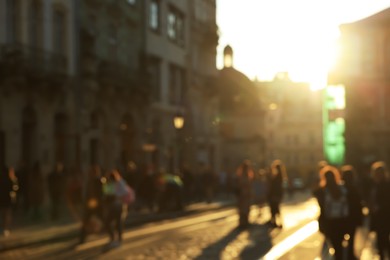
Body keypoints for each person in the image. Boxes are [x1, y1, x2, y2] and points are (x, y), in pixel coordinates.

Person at [314, 165, 351, 260]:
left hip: (329, 222)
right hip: (342, 220)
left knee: (333, 245)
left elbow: (322, 206)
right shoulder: (342, 189)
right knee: (340, 246)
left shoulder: (322, 191)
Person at [367, 161, 390, 260]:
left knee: (383, 238)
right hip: (378, 216)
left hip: (384, 216)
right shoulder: (374, 185)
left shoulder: (385, 185)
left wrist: (379, 207)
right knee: (381, 239)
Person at [340, 165, 364, 260]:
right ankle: (350, 255)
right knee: (351, 237)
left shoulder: (340, 188)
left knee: (341, 237)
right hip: (352, 217)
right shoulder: (354, 188)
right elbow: (358, 204)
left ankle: (343, 254)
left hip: (342, 217)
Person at [102, 169, 128, 248]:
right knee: (108, 222)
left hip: (119, 205)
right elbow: (106, 193)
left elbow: (124, 192)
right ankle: (113, 237)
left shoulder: (120, 182)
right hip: (112, 206)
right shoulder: (109, 184)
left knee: (118, 222)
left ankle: (118, 238)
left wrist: (116, 195)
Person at [79, 165, 104, 244]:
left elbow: (105, 192)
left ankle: (112, 235)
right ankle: (82, 238)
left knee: (104, 220)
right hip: (91, 205)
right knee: (86, 221)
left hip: (97, 205)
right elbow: (87, 194)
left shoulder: (100, 181)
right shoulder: (90, 181)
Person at [235, 160, 254, 228]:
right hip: (243, 194)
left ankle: (243, 221)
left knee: (243, 209)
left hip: (244, 194)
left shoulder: (242, 175)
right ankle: (243, 221)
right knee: (244, 209)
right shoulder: (245, 175)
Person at [267, 159, 286, 228]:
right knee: (276, 208)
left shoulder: (277, 176)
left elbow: (274, 186)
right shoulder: (280, 176)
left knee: (274, 208)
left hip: (274, 195)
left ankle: (275, 221)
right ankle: (276, 221)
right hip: (277, 195)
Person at [0, 165, 18, 237]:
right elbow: (15, 189)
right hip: (7, 199)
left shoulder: (1, 179)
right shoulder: (10, 180)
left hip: (2, 199)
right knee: (7, 215)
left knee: (3, 214)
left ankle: (4, 228)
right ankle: (6, 228)